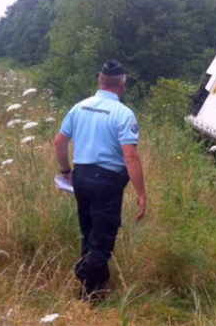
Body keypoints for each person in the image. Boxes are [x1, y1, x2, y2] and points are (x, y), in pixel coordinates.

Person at [53, 60, 147, 301]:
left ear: (99, 81)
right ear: (122, 86)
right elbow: (130, 156)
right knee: (102, 242)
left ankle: (96, 289)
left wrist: (65, 171)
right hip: (106, 182)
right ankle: (84, 280)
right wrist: (141, 193)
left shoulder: (80, 107)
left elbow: (59, 142)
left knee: (89, 234)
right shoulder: (123, 114)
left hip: (81, 177)